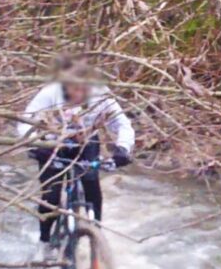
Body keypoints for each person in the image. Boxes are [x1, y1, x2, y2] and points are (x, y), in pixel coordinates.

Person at [17, 56, 134, 256]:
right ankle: (44, 243)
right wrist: (36, 143)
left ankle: (96, 236)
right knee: (51, 197)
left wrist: (123, 149)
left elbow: (122, 124)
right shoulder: (49, 93)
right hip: (53, 145)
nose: (79, 94)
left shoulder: (101, 95)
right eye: (74, 89)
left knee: (91, 183)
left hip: (87, 143)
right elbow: (25, 122)